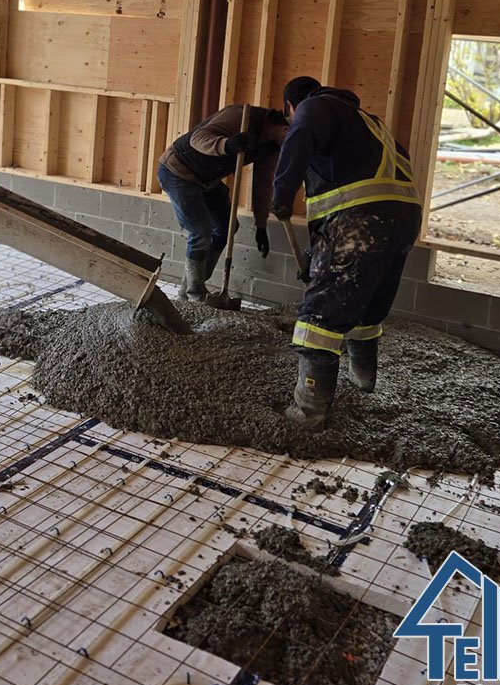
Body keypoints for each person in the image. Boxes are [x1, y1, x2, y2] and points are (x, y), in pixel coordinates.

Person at [271, 76, 421, 429]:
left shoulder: (313, 107)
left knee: (321, 314)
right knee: (368, 306)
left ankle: (309, 410)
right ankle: (362, 380)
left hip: (361, 220)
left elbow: (300, 135)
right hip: (402, 220)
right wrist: (317, 257)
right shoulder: (371, 124)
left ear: (291, 106)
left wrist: (281, 193)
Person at [158, 104, 288, 301]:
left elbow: (263, 183)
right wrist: (226, 145)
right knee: (200, 232)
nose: (288, 147)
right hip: (178, 170)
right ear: (284, 128)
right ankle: (196, 294)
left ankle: (189, 289)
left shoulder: (271, 146)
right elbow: (197, 138)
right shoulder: (240, 116)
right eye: (290, 139)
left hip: (207, 180)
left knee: (228, 227)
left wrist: (261, 225)